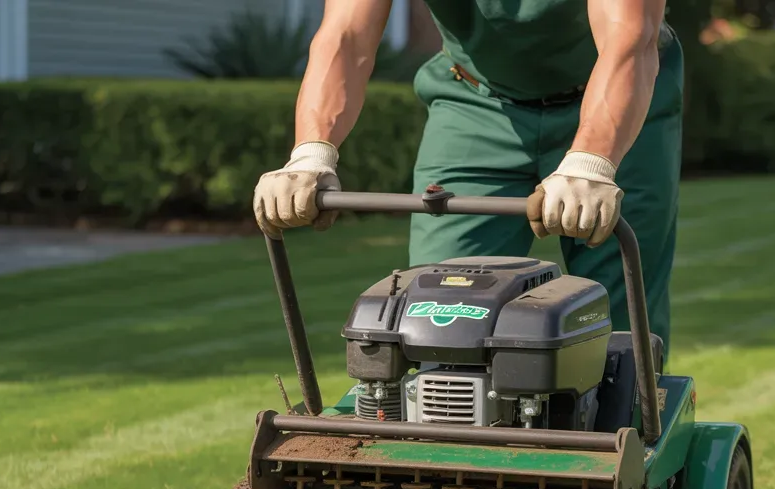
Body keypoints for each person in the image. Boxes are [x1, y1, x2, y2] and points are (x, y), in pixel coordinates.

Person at [253, 0, 682, 360]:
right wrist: (311, 153)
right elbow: (346, 35)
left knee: (621, 331)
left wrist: (592, 161)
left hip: (622, 99)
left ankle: (624, 444)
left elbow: (629, 36)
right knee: (438, 313)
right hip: (475, 103)